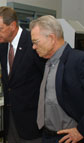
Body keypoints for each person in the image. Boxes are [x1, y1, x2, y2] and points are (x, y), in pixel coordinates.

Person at [0, 6, 45, 143]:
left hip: (32, 120)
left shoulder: (33, 42)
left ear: (13, 25)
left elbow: (46, 79)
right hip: (10, 119)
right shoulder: (2, 47)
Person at [30, 15, 84, 143]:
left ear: (52, 38)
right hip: (48, 135)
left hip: (70, 138)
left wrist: (81, 130)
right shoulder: (48, 62)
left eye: (36, 42)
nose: (33, 47)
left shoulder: (78, 60)